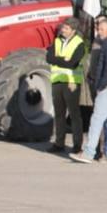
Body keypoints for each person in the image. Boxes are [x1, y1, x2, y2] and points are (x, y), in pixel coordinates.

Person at [73, 16, 107, 165]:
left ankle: (88, 153)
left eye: (102, 29)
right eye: (98, 29)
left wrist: (100, 86)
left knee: (96, 120)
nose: (99, 32)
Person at [47, 18, 86, 153]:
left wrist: (59, 60)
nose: (63, 30)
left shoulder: (79, 43)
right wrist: (63, 60)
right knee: (59, 114)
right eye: (63, 28)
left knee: (74, 114)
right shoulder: (57, 41)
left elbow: (73, 63)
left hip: (71, 82)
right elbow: (49, 58)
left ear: (73, 31)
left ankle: (77, 145)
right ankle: (59, 143)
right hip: (57, 81)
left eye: (66, 28)